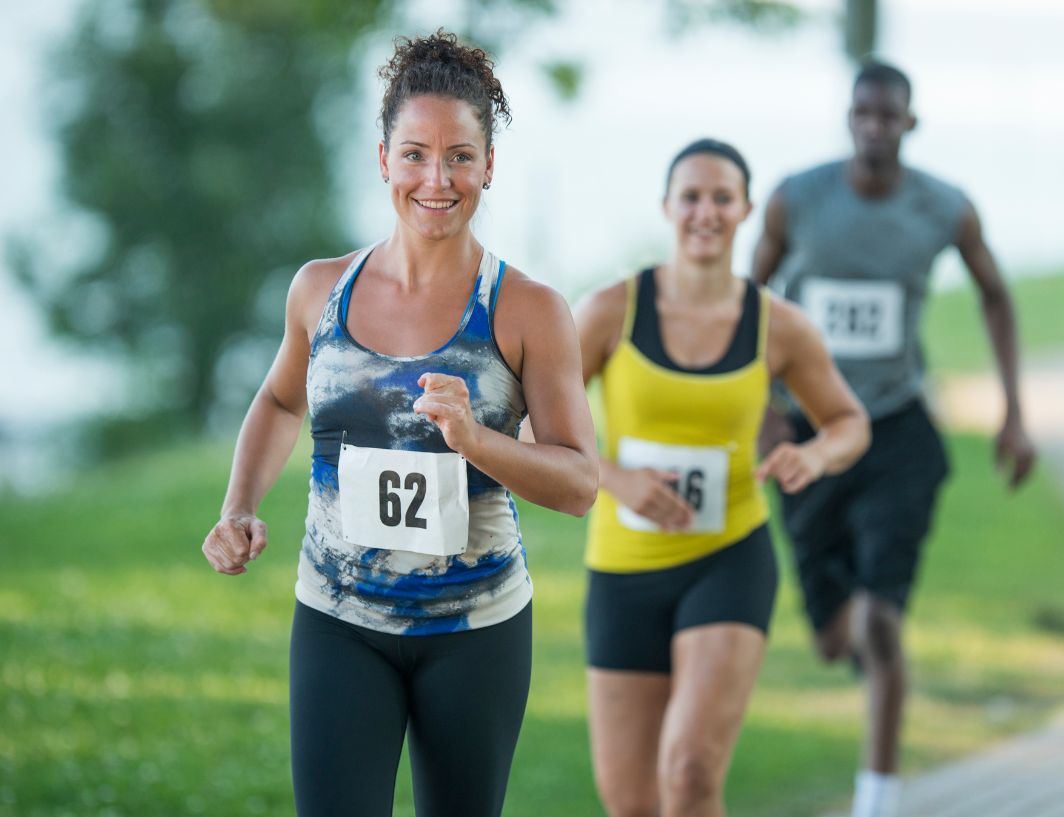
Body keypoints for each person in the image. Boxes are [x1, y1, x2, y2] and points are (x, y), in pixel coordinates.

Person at [199, 31, 598, 817]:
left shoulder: (528, 311)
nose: (436, 180)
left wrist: (478, 439)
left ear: (489, 166)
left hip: (476, 627)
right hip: (338, 618)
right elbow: (282, 401)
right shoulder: (320, 293)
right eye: (415, 154)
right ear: (383, 159)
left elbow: (581, 483)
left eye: (459, 156)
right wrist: (238, 505)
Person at [751, 61, 1036, 817]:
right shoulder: (796, 199)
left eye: (890, 116)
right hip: (809, 430)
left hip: (895, 426)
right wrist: (761, 408)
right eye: (863, 114)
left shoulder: (944, 207)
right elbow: (746, 301)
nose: (875, 126)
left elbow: (997, 293)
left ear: (910, 123)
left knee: (881, 619)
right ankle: (874, 654)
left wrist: (1015, 411)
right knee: (834, 639)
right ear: (849, 118)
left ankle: (876, 798)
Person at [575, 139, 869, 817]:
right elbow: (532, 429)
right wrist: (616, 479)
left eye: (722, 198)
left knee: (690, 769)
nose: (705, 212)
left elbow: (849, 422)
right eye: (691, 197)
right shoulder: (608, 311)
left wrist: (815, 457)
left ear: (746, 209)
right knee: (629, 800)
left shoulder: (780, 326)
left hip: (728, 557)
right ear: (666, 207)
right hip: (623, 567)